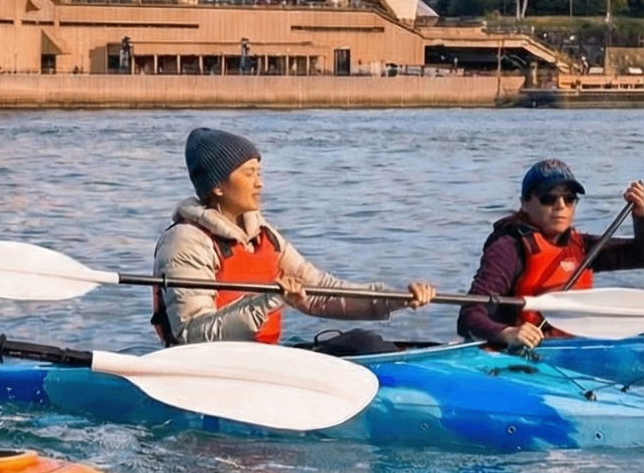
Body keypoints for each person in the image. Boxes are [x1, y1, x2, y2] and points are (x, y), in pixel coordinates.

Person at [152, 127, 434, 351]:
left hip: (264, 360)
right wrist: (268, 300)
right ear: (217, 186)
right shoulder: (186, 242)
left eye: (259, 172)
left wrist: (395, 299)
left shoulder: (264, 234)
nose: (259, 182)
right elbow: (193, 335)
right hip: (211, 369)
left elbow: (321, 291)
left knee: (365, 343)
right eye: (249, 174)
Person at [458, 160, 644, 351]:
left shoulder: (581, 246)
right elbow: (470, 314)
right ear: (525, 204)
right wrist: (507, 333)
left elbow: (640, 255)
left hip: (566, 352)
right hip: (517, 357)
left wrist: (641, 217)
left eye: (569, 199)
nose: (560, 206)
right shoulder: (508, 248)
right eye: (548, 198)